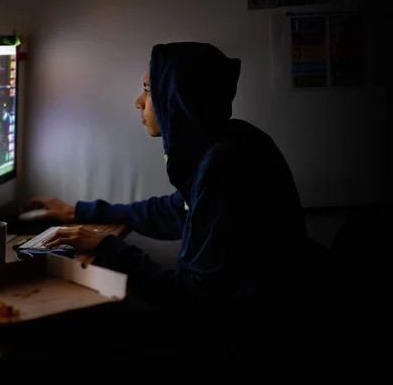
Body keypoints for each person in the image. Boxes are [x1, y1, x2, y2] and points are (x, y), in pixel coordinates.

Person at [25, 42, 314, 357]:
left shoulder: (225, 165)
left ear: (178, 98)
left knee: (84, 334)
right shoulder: (226, 141)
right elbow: (174, 211)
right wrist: (80, 212)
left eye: (148, 90)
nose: (139, 102)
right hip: (244, 320)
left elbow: (194, 299)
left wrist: (107, 246)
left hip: (244, 337)